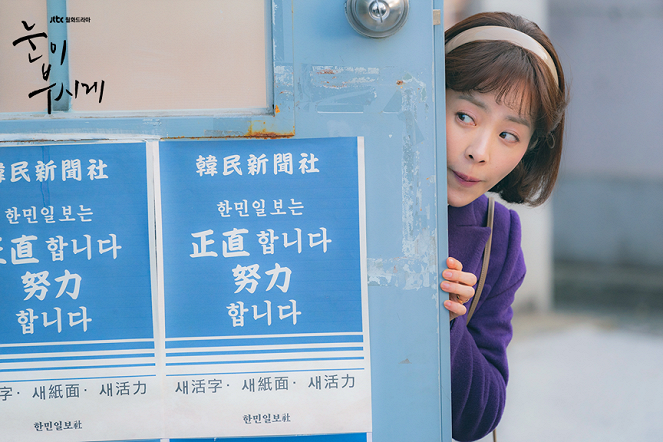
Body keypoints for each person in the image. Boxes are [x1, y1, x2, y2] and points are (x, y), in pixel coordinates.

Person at [439, 12, 568, 441]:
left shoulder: (500, 237)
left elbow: (479, 418)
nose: (480, 152)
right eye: (464, 117)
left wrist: (448, 322)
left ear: (529, 150)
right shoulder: (354, 188)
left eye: (508, 135)